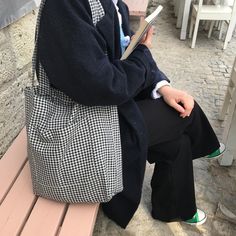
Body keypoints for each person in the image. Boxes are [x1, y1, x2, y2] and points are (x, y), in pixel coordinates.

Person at [36, 0, 225, 229]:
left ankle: (172, 207)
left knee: (178, 140)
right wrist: (143, 55)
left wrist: (163, 88)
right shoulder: (66, 6)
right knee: (185, 116)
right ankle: (206, 147)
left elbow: (127, 53)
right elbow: (103, 84)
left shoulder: (114, 5)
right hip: (80, 129)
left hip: (104, 111)